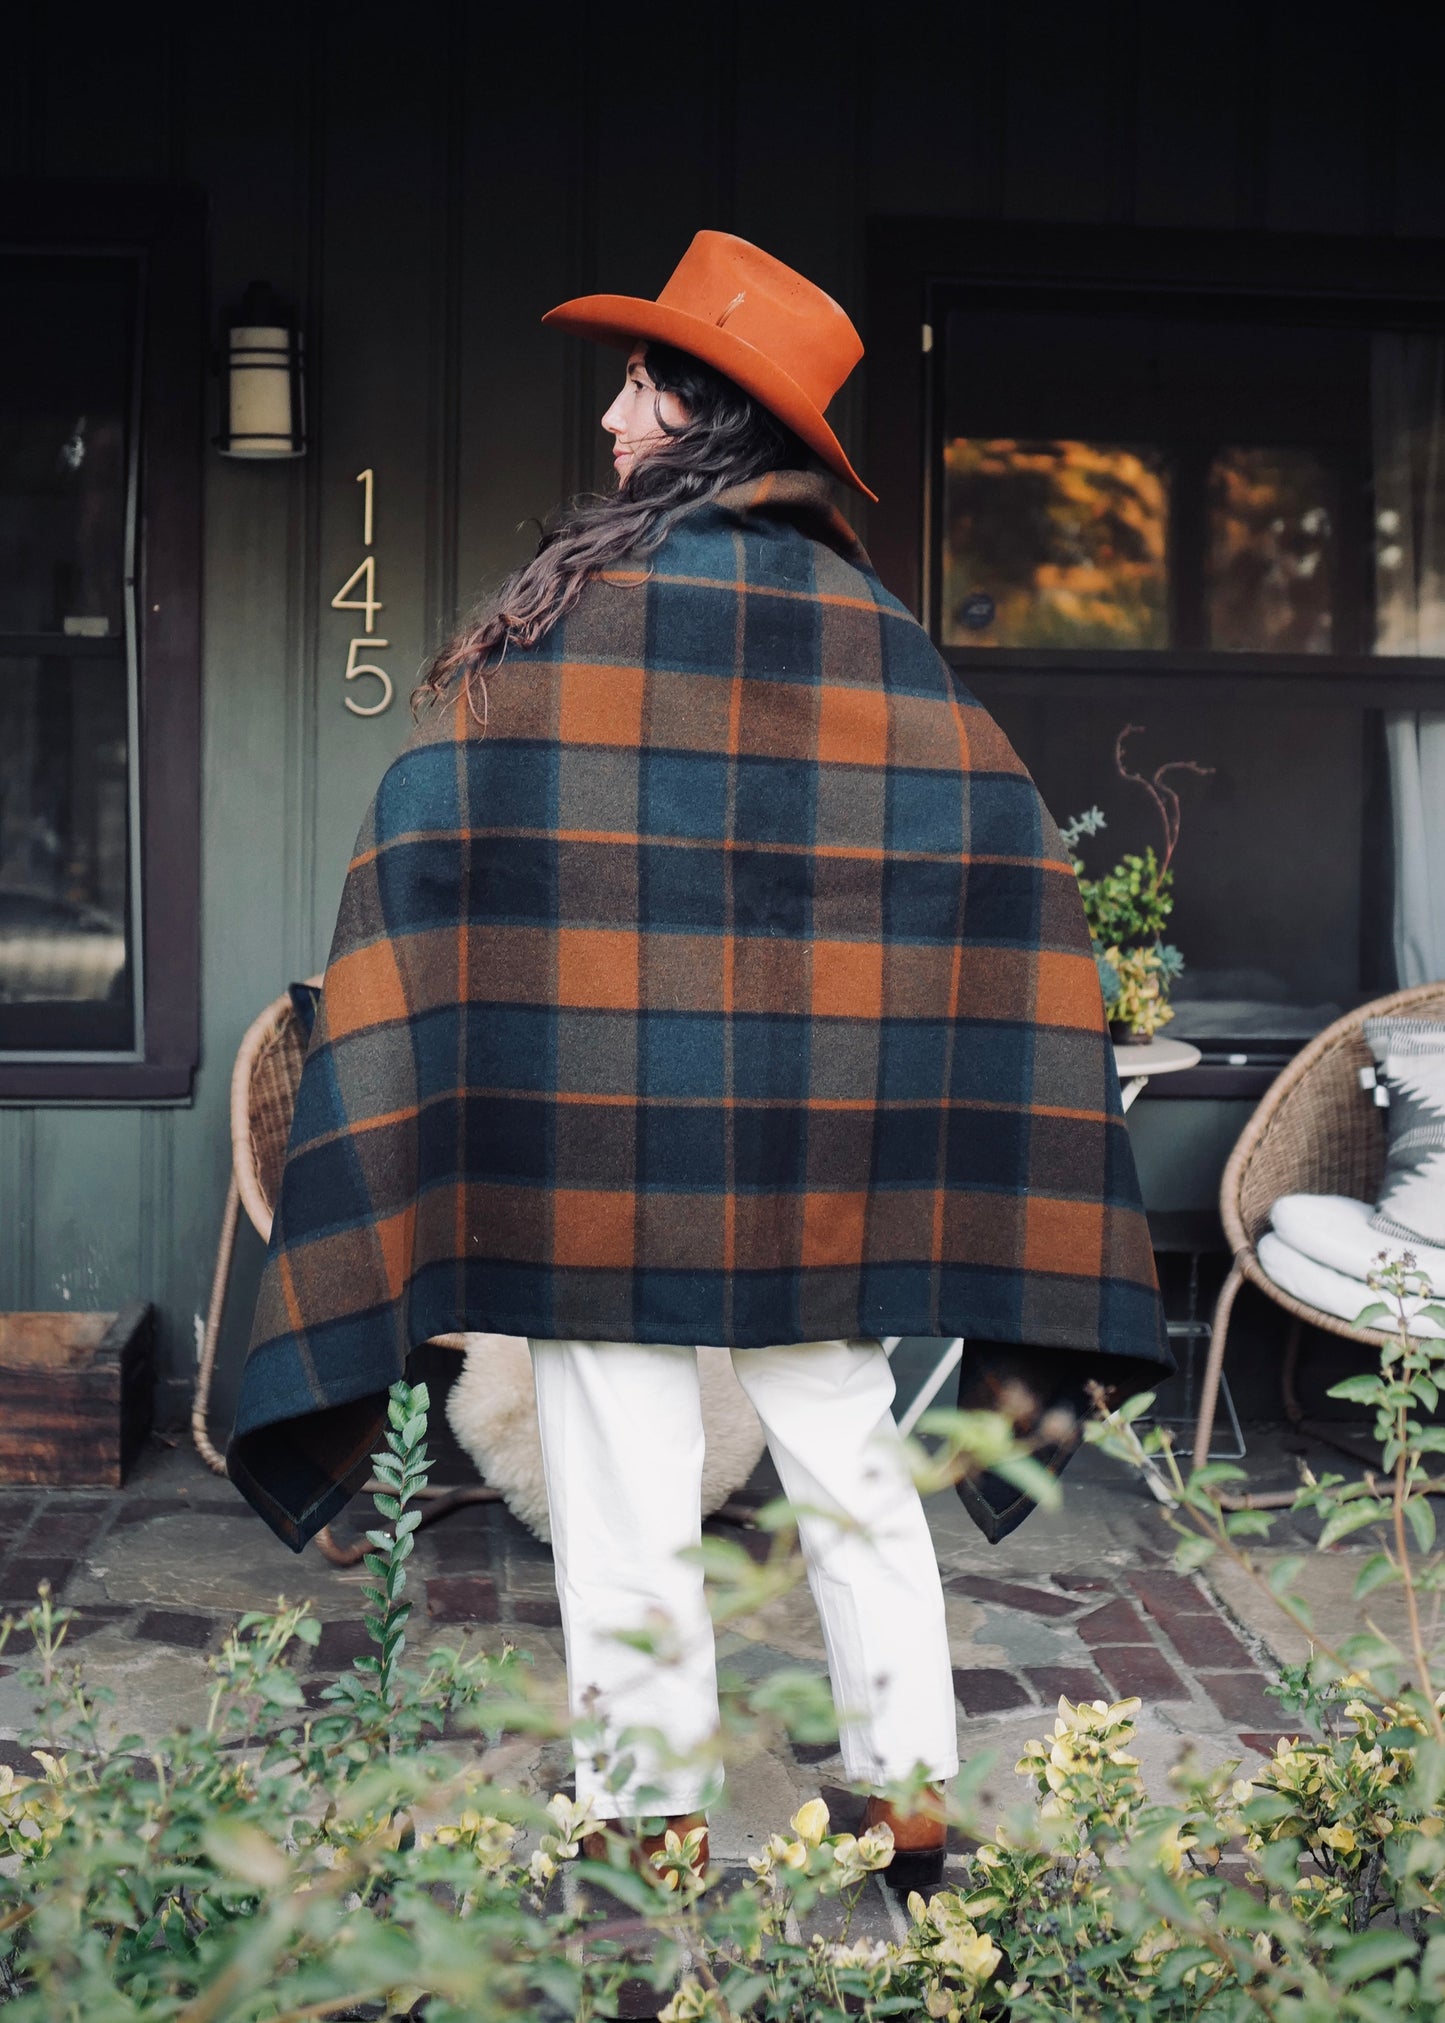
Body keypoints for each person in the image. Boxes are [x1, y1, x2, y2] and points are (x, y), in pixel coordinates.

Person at [227, 231, 1170, 1886]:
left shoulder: (580, 624)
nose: (607, 418)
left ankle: (655, 1826)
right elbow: (1006, 864)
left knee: (624, 1487)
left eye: (638, 382)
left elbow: (431, 822)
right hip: (824, 1168)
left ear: (702, 410)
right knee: (856, 1466)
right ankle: (910, 1807)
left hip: (602, 1158)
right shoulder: (879, 644)